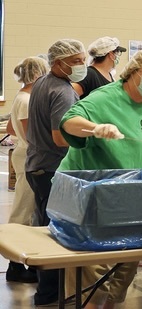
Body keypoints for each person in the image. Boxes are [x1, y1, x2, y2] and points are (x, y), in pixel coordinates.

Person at [54, 50, 142, 309]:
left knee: (120, 280)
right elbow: (68, 122)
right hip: (96, 205)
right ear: (132, 73)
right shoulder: (105, 98)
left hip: (137, 206)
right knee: (92, 281)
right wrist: (94, 128)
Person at [26, 38, 88, 306]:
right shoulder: (62, 92)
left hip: (37, 165)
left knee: (45, 227)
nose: (82, 65)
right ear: (58, 63)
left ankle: (47, 290)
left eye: (82, 59)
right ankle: (49, 294)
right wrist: (92, 136)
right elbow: (60, 137)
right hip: (52, 167)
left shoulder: (42, 82)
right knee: (55, 233)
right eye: (76, 61)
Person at [4, 56, 47, 284]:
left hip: (23, 152)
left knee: (28, 206)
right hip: (30, 155)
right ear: (39, 74)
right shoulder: (28, 99)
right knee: (24, 209)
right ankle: (15, 265)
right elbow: (34, 133)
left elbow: (11, 128)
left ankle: (22, 262)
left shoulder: (21, 96)